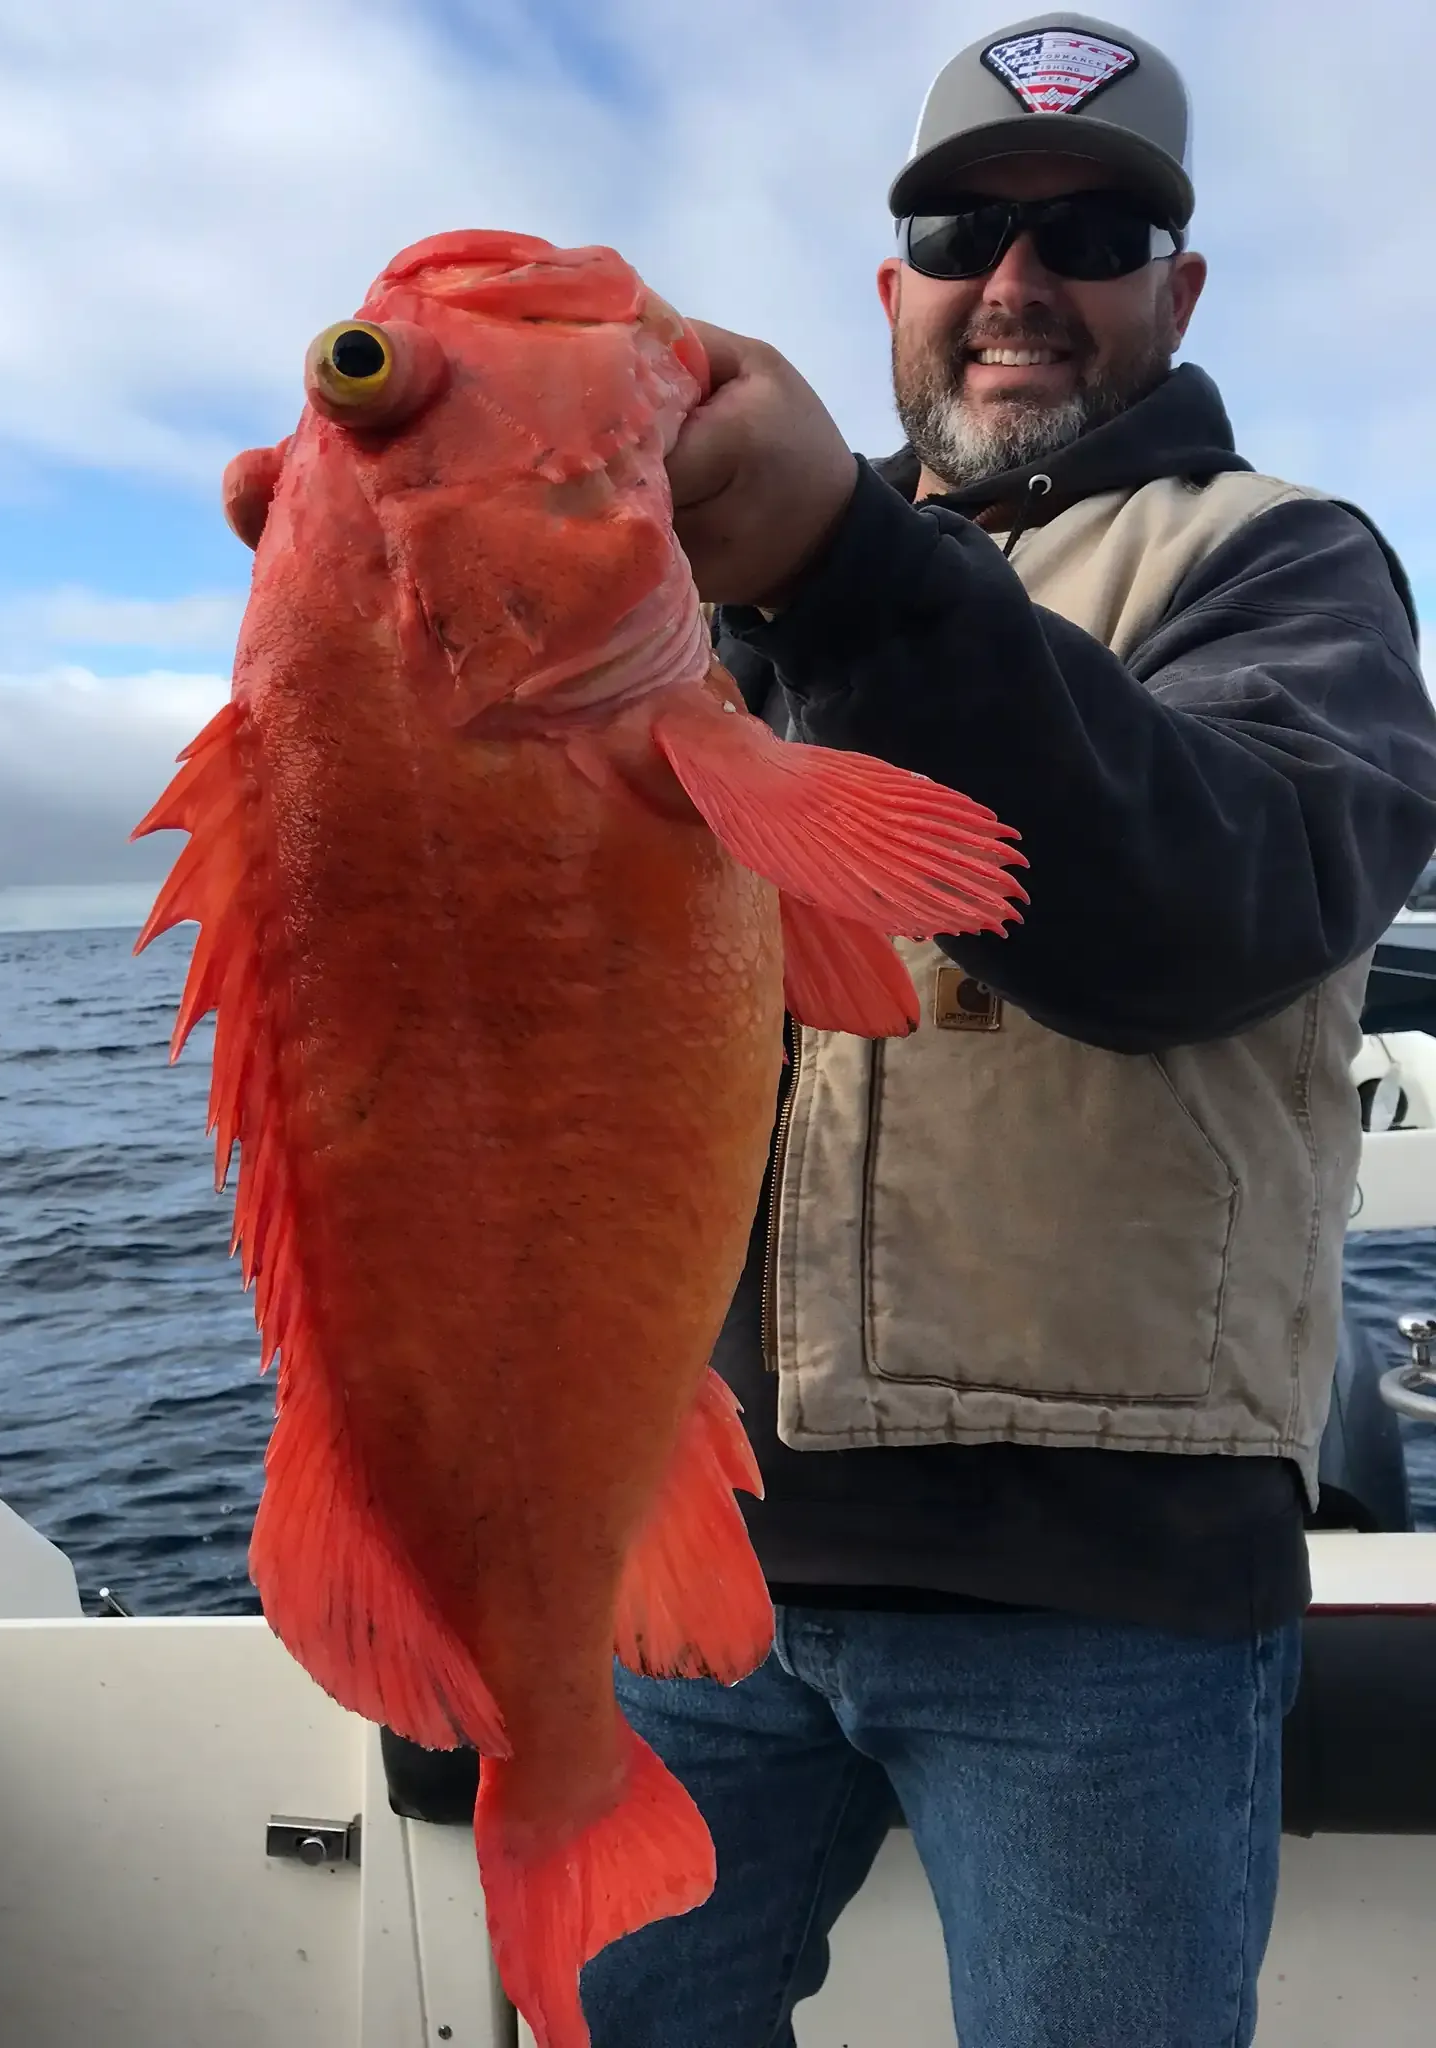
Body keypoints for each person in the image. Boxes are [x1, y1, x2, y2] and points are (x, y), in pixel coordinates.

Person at [580, 14, 1436, 2048]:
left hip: (1103, 1610)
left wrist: (846, 575)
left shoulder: (1284, 565)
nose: (1019, 283)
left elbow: (1202, 910)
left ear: (1180, 287)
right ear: (892, 288)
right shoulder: (699, 597)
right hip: (690, 1571)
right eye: (965, 226)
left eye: (1098, 228)